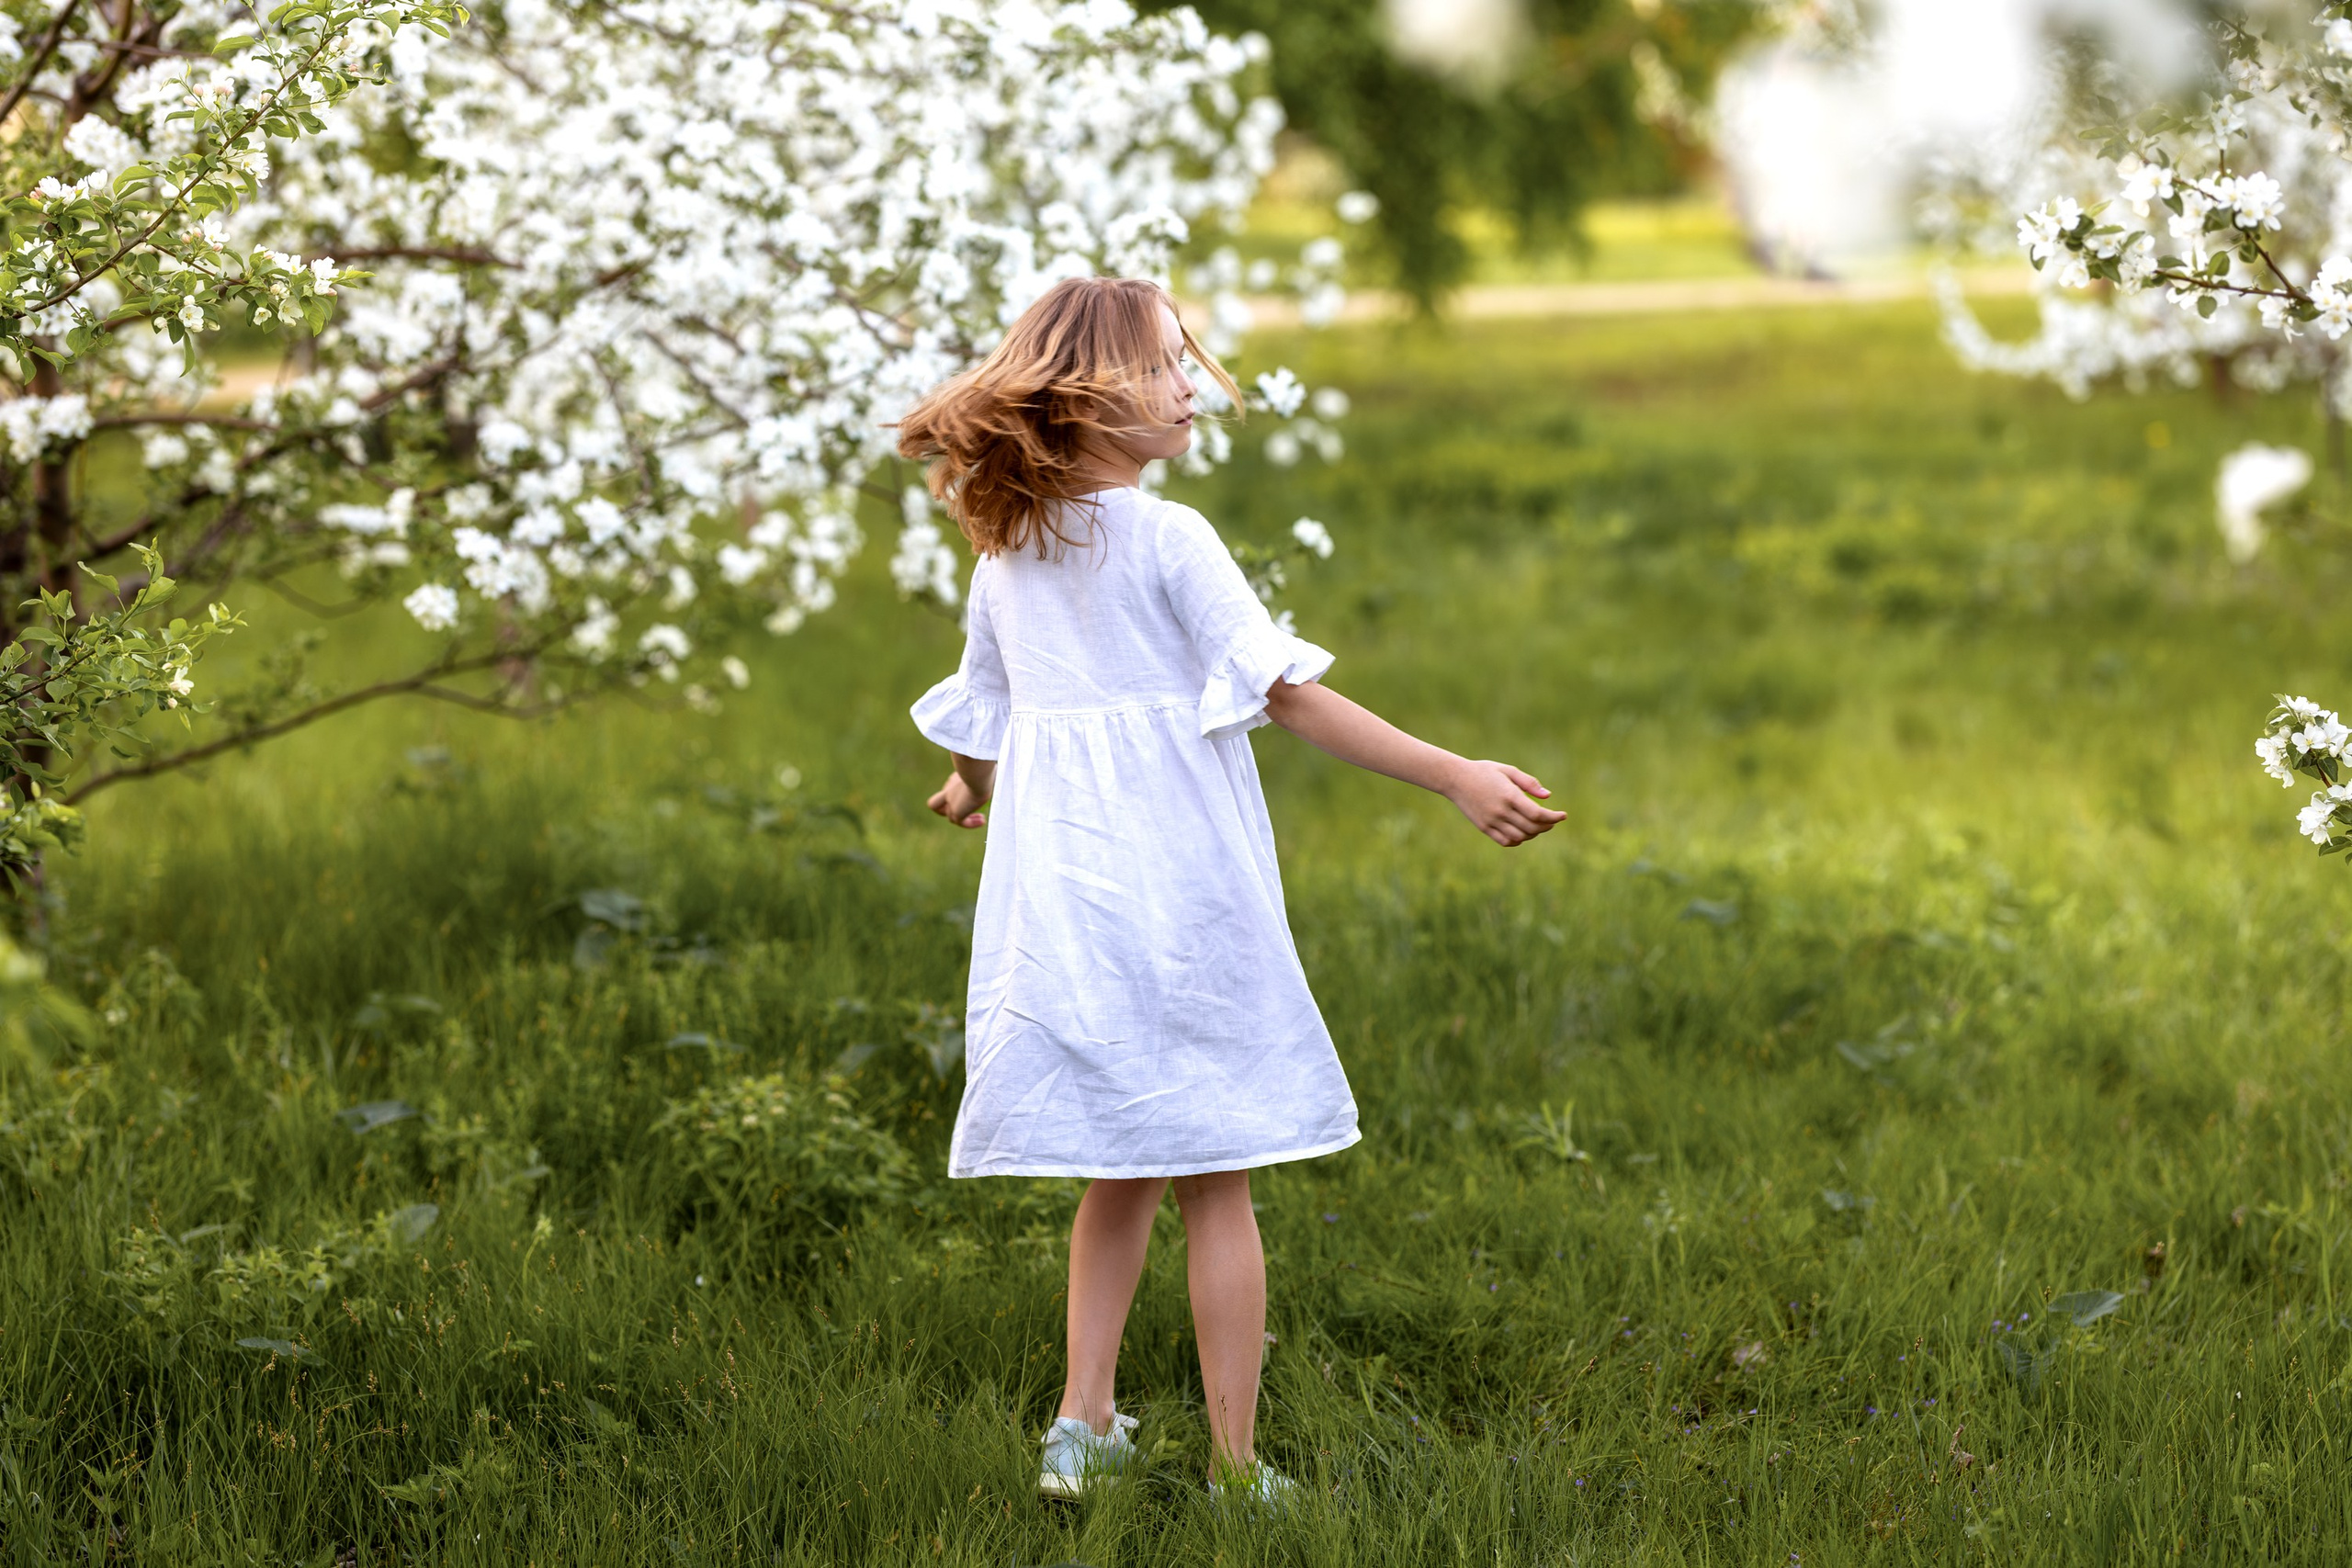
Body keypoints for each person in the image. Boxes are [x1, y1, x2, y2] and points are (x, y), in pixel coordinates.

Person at [897, 276, 1563, 1506]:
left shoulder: (1008, 560)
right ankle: (1236, 1465)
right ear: (1088, 400)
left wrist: (968, 790)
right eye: (1161, 368)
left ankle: (1082, 1424)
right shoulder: (1167, 539)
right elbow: (1287, 695)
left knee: (1120, 1168)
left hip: (1072, 900)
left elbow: (986, 715)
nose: (1190, 385)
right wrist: (1452, 773)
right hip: (1184, 889)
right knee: (1216, 1173)